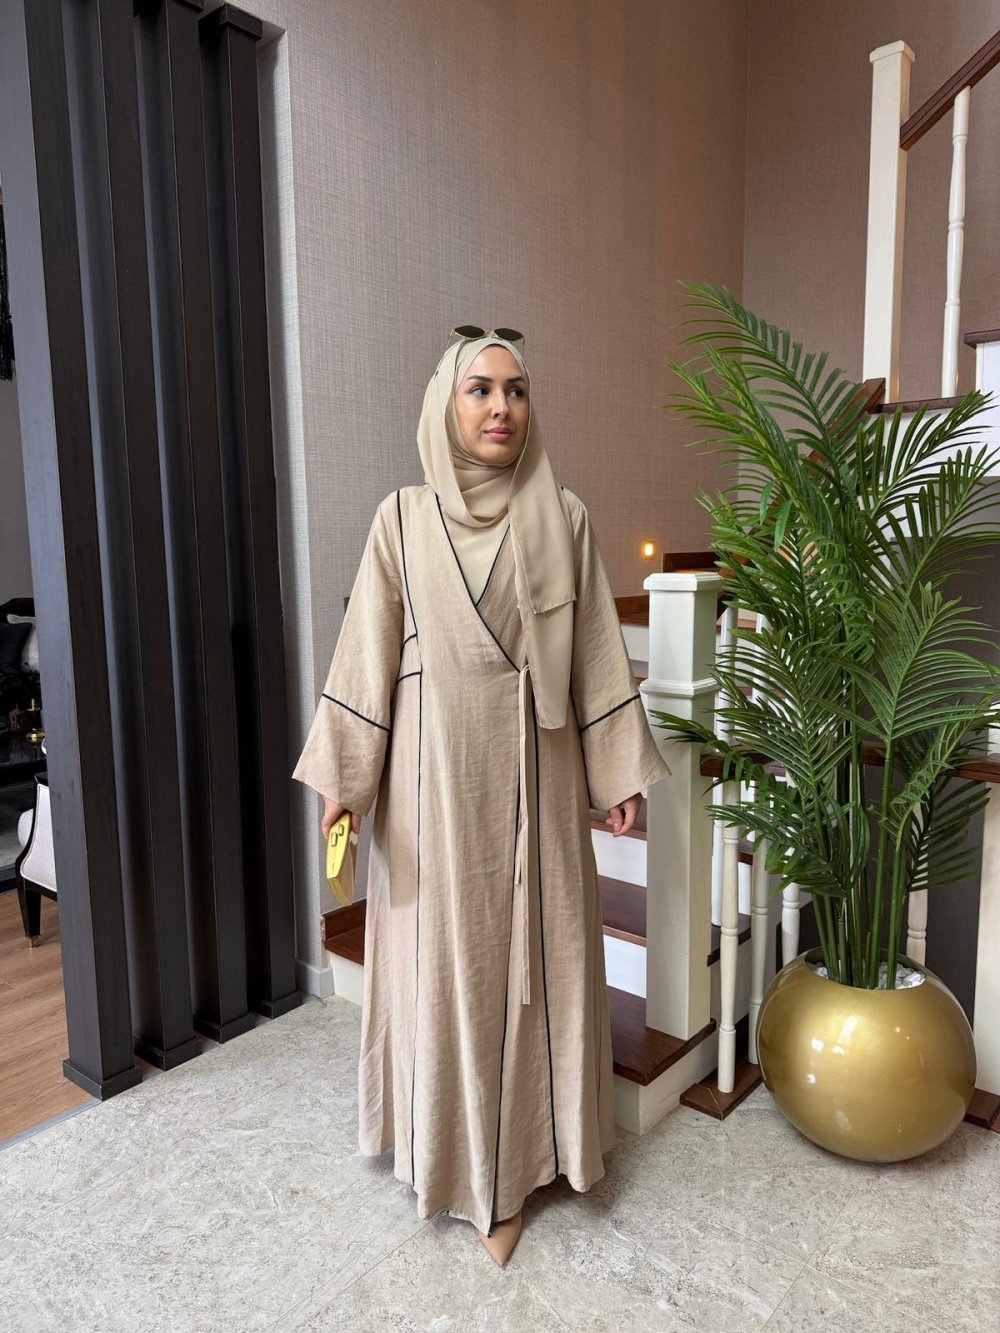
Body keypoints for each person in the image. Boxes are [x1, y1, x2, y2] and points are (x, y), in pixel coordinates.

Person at [292, 329, 671, 1266]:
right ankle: (452, 1159)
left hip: (539, 773)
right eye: (480, 389)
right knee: (445, 968)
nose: (502, 407)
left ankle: (528, 1161)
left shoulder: (565, 517)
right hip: (433, 784)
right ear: (446, 404)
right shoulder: (401, 518)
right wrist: (347, 781)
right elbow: (367, 653)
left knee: (540, 960)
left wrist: (615, 768)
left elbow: (594, 651)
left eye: (516, 390)